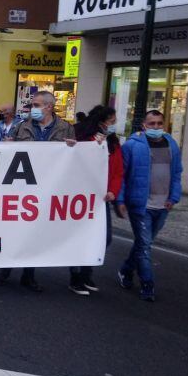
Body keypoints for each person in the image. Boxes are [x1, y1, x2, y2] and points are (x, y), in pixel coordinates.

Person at [0, 91, 76, 291]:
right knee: (13, 229)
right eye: (33, 105)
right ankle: (5, 269)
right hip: (21, 187)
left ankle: (28, 274)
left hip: (49, 187)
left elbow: (76, 157)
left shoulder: (66, 129)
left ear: (49, 107)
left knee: (35, 232)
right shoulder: (21, 126)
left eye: (37, 105)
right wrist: (4, 145)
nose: (33, 109)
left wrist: (75, 148)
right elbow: (7, 149)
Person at [117, 110, 182, 302]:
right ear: (144, 126)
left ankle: (126, 270)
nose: (155, 127)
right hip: (141, 205)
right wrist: (120, 201)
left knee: (143, 244)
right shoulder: (131, 146)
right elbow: (122, 175)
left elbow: (177, 173)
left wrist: (174, 197)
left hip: (163, 206)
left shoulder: (172, 145)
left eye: (159, 124)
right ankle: (147, 284)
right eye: (151, 124)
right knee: (145, 247)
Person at [67, 105, 123, 296]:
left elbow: (117, 171)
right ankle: (76, 276)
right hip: (80, 196)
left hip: (100, 199)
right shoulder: (84, 138)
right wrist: (93, 146)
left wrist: (113, 192)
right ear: (101, 121)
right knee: (79, 236)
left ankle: (86, 272)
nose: (114, 124)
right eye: (111, 121)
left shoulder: (113, 142)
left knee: (103, 238)